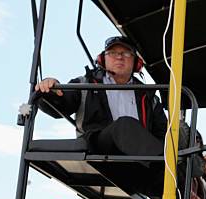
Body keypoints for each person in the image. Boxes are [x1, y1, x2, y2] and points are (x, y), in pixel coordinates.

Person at [35, 36, 167, 156]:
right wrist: (49, 90)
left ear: (136, 63)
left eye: (126, 53)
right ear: (102, 59)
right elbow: (60, 105)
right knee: (124, 125)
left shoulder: (149, 96)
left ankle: (172, 173)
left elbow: (163, 134)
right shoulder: (86, 84)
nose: (120, 57)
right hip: (98, 150)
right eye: (113, 53)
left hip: (139, 158)